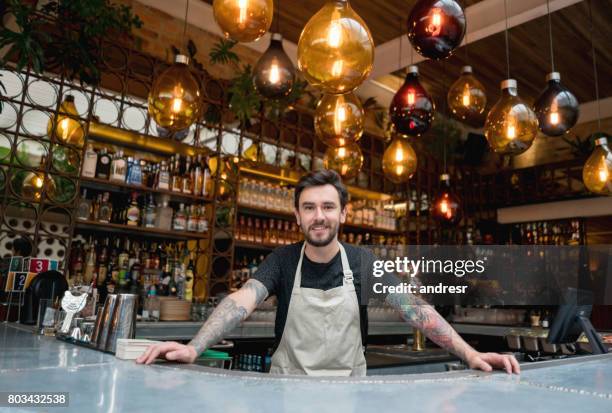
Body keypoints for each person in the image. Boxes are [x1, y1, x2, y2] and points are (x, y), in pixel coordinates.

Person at [137, 170, 520, 376]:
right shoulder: (283, 261)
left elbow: (416, 310)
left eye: (327, 206)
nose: (318, 216)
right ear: (297, 216)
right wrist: (193, 347)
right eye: (309, 207)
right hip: (287, 395)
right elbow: (241, 301)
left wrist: (470, 354)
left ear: (342, 213)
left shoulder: (363, 262)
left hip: (349, 398)